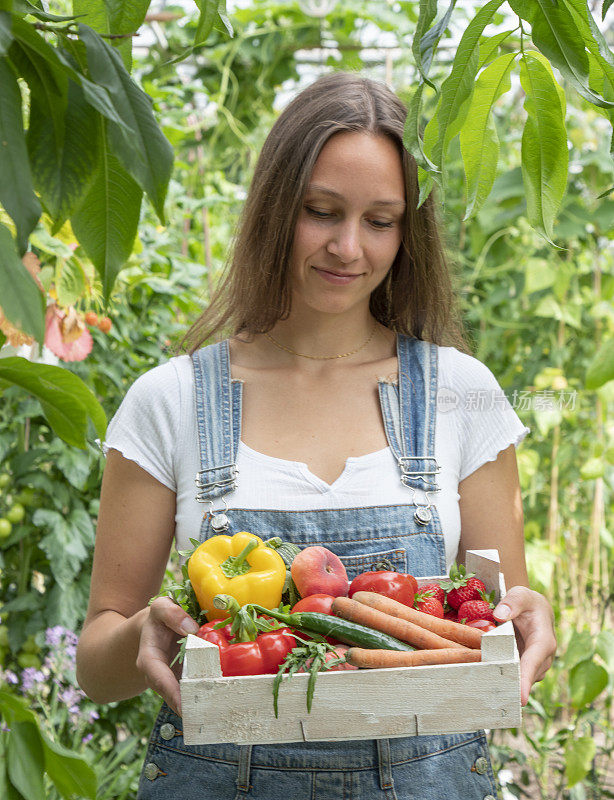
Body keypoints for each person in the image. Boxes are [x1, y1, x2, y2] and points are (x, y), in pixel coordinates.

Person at [76, 72, 556, 800]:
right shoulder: (170, 401)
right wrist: (148, 628)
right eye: (321, 211)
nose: (348, 247)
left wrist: (531, 617)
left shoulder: (462, 395)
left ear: (408, 230)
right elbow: (96, 667)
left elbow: (499, 620)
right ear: (276, 209)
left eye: (381, 220)